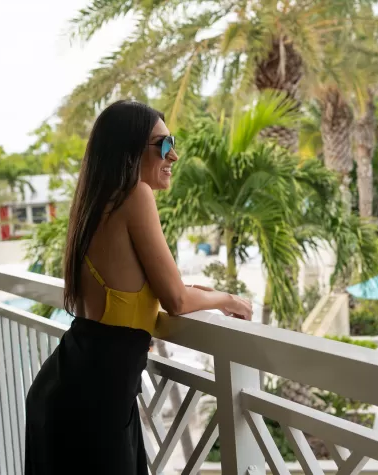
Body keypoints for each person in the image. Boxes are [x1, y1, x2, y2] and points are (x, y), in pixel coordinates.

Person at [24, 101, 252, 475]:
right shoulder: (135, 195)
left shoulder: (96, 203)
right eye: (163, 144)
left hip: (73, 387)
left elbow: (147, 290)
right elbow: (176, 300)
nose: (174, 155)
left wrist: (200, 291)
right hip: (96, 400)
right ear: (128, 150)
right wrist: (228, 299)